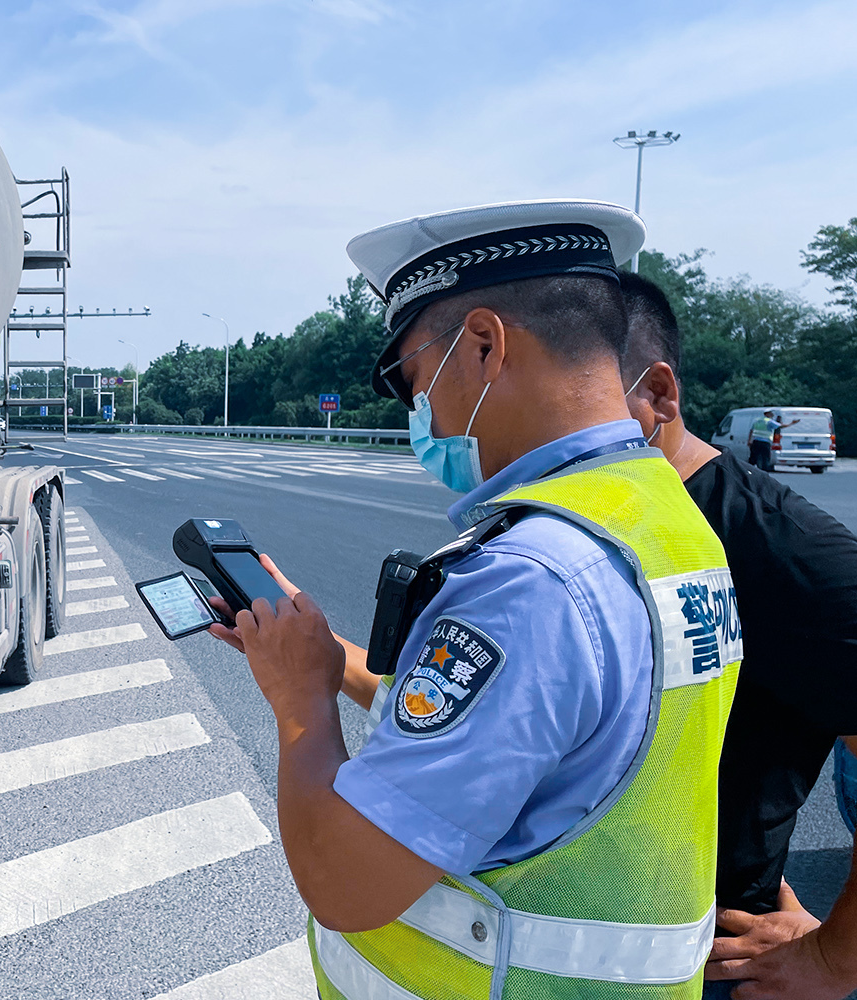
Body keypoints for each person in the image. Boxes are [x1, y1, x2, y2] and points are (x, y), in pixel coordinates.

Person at [208, 200, 742, 1000]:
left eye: (411, 379)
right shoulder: (663, 520)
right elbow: (529, 731)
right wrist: (324, 657)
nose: (419, 412)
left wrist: (298, 701)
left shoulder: (531, 578)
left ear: (485, 345)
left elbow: (346, 883)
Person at [620, 271, 857, 1000]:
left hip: (711, 962)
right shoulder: (594, 529)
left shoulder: (776, 546)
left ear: (658, 396)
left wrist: (835, 958)